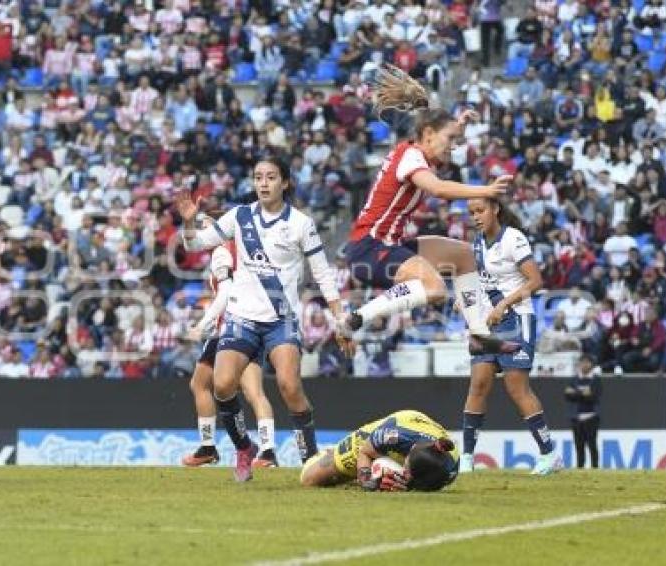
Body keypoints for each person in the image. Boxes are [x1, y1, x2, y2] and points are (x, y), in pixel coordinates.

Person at [178, 157, 350, 482]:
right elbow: (196, 244)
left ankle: (310, 460)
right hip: (242, 316)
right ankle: (244, 447)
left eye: (271, 177)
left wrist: (339, 314)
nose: (264, 183)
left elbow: (323, 274)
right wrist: (188, 223)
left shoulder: (301, 223)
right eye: (258, 177)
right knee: (223, 385)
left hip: (280, 319)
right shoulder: (239, 216)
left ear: (284, 182)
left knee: (289, 386)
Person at [339, 65, 515, 356]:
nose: (454, 148)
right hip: (368, 249)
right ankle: (354, 319)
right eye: (451, 140)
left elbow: (436, 128)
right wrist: (486, 190)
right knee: (434, 290)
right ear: (429, 135)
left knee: (464, 255)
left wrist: (457, 125)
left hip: (386, 244)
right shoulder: (411, 157)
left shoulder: (417, 148)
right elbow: (439, 189)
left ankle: (479, 335)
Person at [458, 197, 563, 475]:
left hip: (516, 319)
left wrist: (504, 304)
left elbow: (535, 281)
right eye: (471, 212)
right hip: (486, 323)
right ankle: (467, 457)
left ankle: (549, 453)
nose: (476, 217)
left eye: (480, 210)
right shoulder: (476, 244)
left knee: (517, 388)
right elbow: (478, 283)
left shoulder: (513, 238)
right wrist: (466, 302)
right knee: (478, 384)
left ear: (496, 210)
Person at [182, 235, 278, 468]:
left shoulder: (221, 252)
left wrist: (202, 325)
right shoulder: (247, 250)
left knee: (202, 385)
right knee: (253, 391)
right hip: (254, 325)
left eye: (205, 226)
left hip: (229, 329)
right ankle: (267, 452)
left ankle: (209, 447)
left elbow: (226, 292)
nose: (201, 231)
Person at [300, 409, 459, 492]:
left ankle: (378, 470)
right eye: (406, 467)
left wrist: (407, 485)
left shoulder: (450, 469)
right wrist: (366, 479)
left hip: (417, 437)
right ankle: (329, 452)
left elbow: (424, 486)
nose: (406, 471)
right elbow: (365, 451)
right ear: (410, 452)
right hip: (389, 430)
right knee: (309, 479)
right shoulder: (393, 435)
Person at [564, 354, 602, 468]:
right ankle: (580, 467)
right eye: (582, 362)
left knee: (592, 444)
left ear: (592, 365)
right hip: (576, 417)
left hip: (591, 417)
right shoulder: (574, 379)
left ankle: (595, 467)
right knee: (579, 445)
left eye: (587, 362)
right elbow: (567, 396)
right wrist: (583, 393)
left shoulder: (596, 380)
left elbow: (594, 397)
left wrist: (576, 393)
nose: (584, 365)